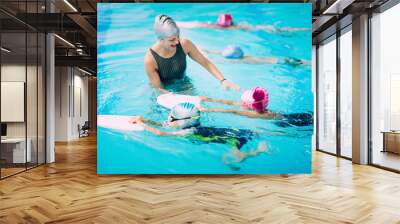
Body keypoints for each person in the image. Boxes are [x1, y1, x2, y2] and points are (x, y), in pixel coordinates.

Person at [129, 102, 268, 169]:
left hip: (233, 138)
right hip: (232, 131)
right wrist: (146, 120)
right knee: (228, 159)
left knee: (236, 158)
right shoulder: (185, 124)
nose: (168, 119)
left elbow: (160, 133)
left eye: (171, 117)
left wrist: (141, 124)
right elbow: (162, 125)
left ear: (182, 122)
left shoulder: (188, 131)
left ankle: (260, 150)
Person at [144, 15, 241, 94]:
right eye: (172, 40)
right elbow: (160, 89)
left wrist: (223, 80)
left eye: (178, 37)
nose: (177, 42)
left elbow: (205, 62)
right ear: (160, 39)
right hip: (163, 91)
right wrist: (174, 98)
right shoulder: (150, 59)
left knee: (199, 112)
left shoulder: (185, 44)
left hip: (184, 84)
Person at [176, 14, 311, 33]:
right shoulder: (213, 26)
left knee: (277, 30)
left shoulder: (241, 26)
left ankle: (297, 29)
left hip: (258, 28)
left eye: (226, 27)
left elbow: (262, 28)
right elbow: (195, 24)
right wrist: (177, 24)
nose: (224, 28)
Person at [201, 45, 311, 66]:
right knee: (301, 62)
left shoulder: (240, 61)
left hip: (281, 62)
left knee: (301, 64)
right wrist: (208, 51)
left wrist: (206, 55)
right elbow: (222, 53)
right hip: (281, 59)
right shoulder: (244, 56)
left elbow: (218, 60)